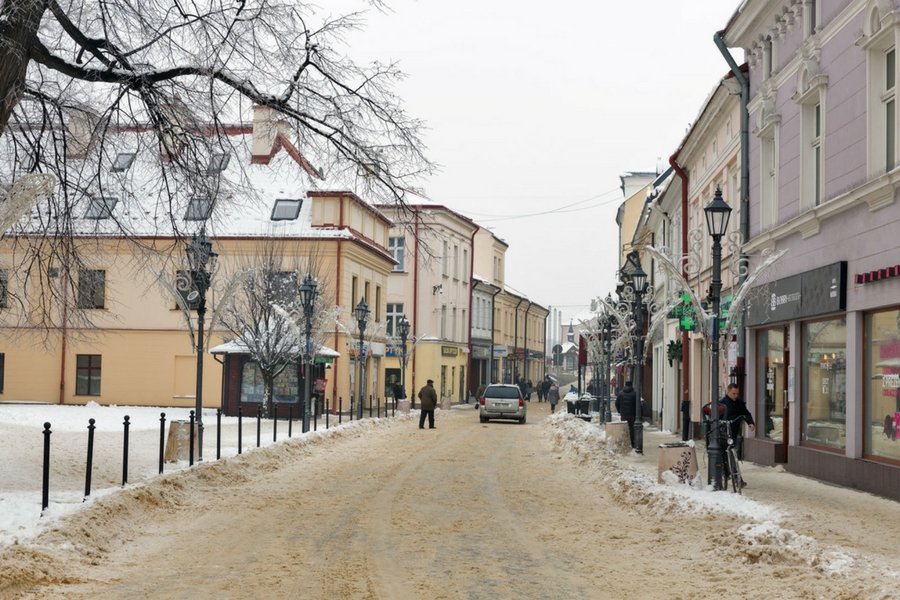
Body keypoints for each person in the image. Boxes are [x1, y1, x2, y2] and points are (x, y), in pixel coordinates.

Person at [719, 383, 755, 474]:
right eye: (733, 393)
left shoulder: (739, 402)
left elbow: (746, 413)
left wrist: (750, 423)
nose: (736, 395)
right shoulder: (722, 403)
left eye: (737, 393)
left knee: (734, 453)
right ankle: (726, 471)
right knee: (725, 453)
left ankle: (736, 476)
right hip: (724, 433)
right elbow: (717, 418)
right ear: (728, 391)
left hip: (735, 432)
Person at [615, 380, 639, 452]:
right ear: (631, 385)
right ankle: (632, 443)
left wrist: (620, 411)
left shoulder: (621, 393)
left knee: (624, 428)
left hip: (624, 414)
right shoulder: (634, 394)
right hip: (632, 415)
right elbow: (637, 405)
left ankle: (625, 443)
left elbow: (616, 403)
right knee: (631, 429)